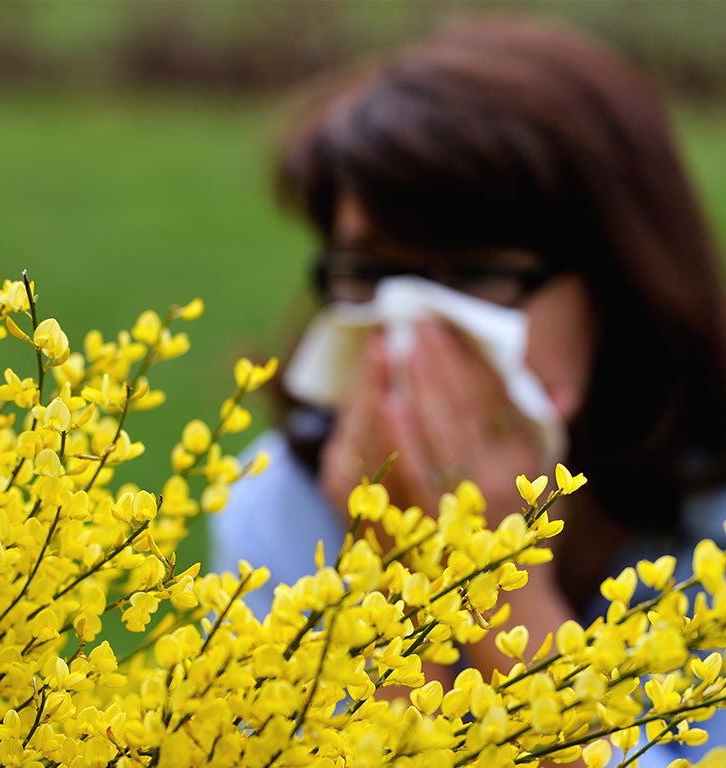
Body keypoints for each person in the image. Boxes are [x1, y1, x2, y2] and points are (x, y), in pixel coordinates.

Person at [209, 16, 726, 760]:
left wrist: (492, 575)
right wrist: (386, 579)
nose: (412, 324)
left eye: (475, 274)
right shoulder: (285, 503)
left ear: (617, 287)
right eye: (370, 272)